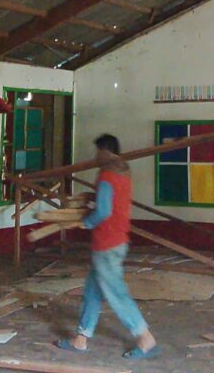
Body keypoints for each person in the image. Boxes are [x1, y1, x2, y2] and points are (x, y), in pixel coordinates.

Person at [57, 134, 159, 360]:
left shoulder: (106, 176)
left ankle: (145, 339)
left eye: (97, 152)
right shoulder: (124, 173)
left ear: (105, 151)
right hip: (118, 239)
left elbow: (103, 211)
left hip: (106, 243)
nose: (95, 157)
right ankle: (81, 338)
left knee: (116, 293)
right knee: (92, 292)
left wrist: (87, 222)